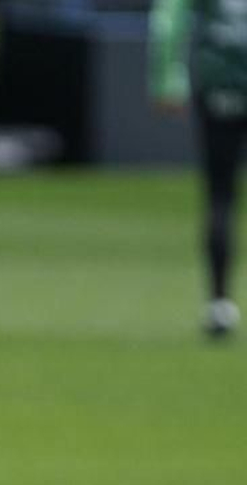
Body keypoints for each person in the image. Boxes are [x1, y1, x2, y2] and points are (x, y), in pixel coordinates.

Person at [152, 0, 247, 338]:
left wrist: (166, 80)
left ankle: (219, 305)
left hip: (217, 84)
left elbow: (167, 21)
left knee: (220, 195)